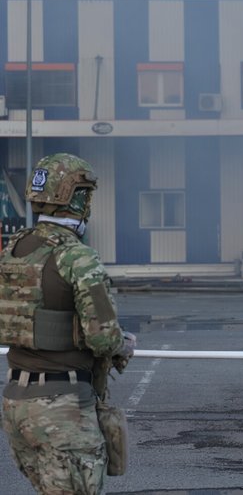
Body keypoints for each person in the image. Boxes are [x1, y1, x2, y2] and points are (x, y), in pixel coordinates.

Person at [0, 153, 135, 494]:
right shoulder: (75, 255)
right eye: (85, 192)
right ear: (74, 196)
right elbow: (103, 338)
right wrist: (124, 345)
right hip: (62, 408)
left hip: (17, 403)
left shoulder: (13, 249)